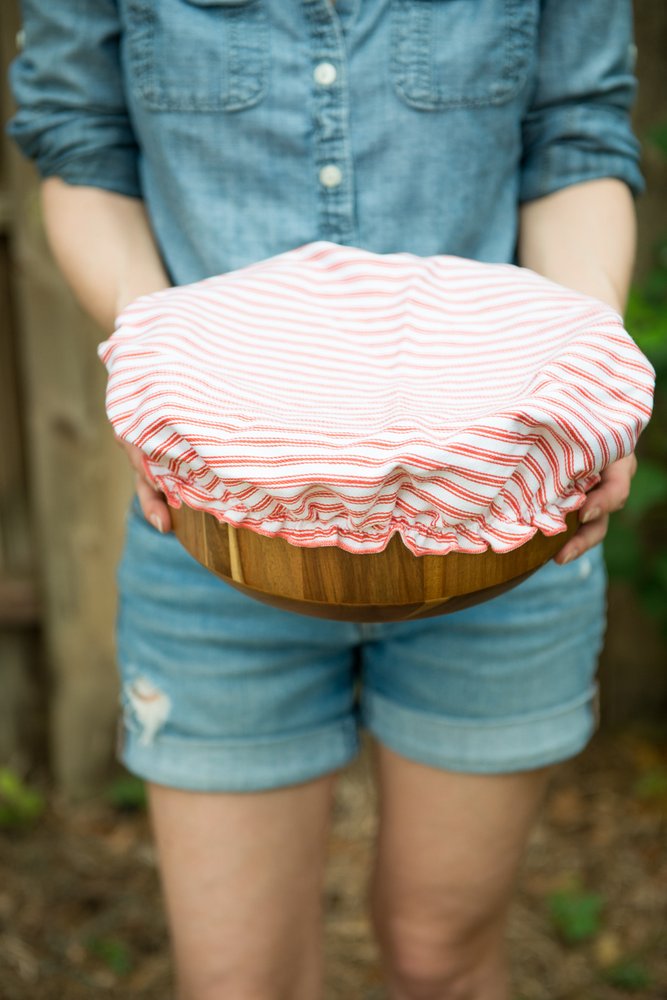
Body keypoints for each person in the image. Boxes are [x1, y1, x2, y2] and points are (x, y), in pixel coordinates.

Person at [8, 2, 643, 998]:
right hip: (217, 536)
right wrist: (157, 362)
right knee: (237, 982)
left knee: (441, 957)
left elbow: (574, 136)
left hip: (504, 527)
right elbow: (78, 138)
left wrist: (586, 375)